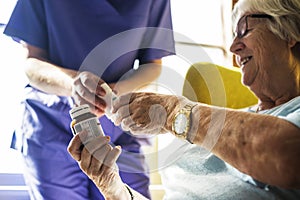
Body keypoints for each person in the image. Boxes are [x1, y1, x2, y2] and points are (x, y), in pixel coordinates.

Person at [68, 0, 300, 199]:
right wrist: (113, 187)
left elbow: (287, 157)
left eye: (244, 30)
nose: (233, 47)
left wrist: (171, 110)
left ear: (290, 31)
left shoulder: (291, 117)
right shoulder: (229, 122)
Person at [3, 1, 175, 199]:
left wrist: (111, 92)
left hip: (120, 130)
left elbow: (153, 65)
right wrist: (73, 84)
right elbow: (32, 63)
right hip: (52, 125)